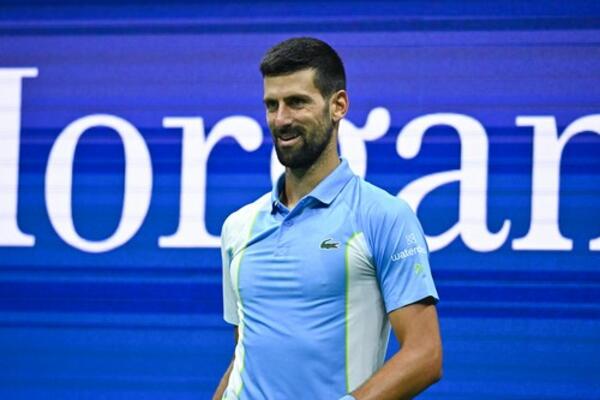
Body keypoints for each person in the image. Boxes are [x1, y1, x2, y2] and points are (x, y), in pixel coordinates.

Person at [213, 37, 442, 400]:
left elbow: (425, 355)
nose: (281, 119)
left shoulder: (384, 217)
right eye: (272, 105)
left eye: (297, 102)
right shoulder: (237, 227)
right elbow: (246, 353)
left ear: (338, 105)